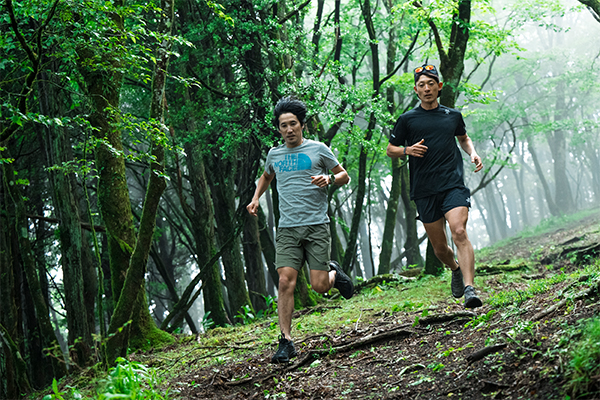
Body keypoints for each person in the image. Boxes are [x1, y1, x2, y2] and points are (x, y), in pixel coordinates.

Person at [247, 96, 354, 363]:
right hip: (287, 228)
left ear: (302, 124)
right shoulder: (275, 154)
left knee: (319, 287)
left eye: (293, 124)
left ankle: (333, 273)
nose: (289, 130)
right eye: (283, 125)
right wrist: (256, 197)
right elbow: (266, 176)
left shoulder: (318, 149)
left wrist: (329, 178)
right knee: (285, 281)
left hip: (317, 226)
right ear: (279, 128)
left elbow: (344, 175)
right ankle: (286, 341)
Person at [386, 64, 484, 308]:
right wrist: (408, 150)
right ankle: (455, 268)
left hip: (452, 184)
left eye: (431, 83)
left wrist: (472, 153)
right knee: (440, 249)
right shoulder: (407, 120)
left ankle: (470, 289)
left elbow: (463, 138)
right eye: (422, 85)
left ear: (439, 87)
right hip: (424, 190)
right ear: (416, 90)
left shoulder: (452, 116)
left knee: (459, 231)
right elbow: (390, 150)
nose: (427, 88)